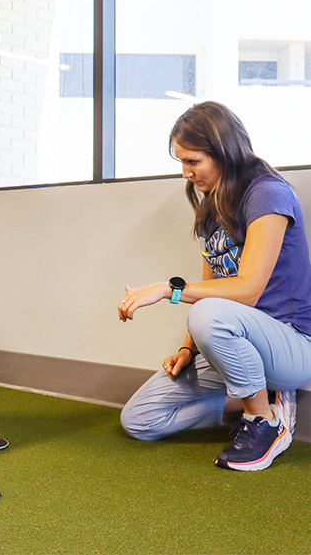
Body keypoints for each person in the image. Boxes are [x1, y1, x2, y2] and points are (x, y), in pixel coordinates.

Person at [118, 101, 311, 471]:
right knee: (140, 420)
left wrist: (167, 288)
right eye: (181, 163)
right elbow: (211, 289)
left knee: (209, 313)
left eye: (193, 161)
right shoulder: (212, 209)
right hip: (237, 347)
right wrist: (187, 349)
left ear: (224, 152)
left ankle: (265, 422)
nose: (186, 173)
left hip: (292, 344)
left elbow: (247, 290)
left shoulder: (267, 193)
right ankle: (262, 396)